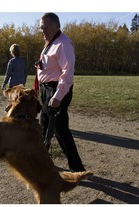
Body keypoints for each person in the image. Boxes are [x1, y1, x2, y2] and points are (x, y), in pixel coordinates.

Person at [35, 12, 86, 172]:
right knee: (44, 125)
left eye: (45, 27)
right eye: (41, 28)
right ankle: (44, 160)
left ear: (56, 26)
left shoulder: (63, 44)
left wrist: (57, 97)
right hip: (47, 89)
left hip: (56, 90)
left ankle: (78, 169)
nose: (42, 31)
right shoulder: (50, 43)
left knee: (60, 129)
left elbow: (67, 74)